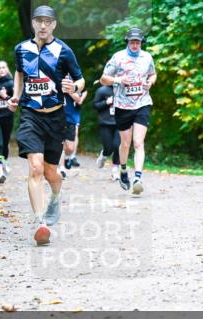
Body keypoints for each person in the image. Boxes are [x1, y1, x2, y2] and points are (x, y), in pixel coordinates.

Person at [8, 5, 85, 245]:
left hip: (55, 117)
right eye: (38, 21)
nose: (43, 25)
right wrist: (15, 95)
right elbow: (19, 73)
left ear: (54, 24)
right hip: (31, 115)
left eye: (47, 21)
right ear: (33, 23)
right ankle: (40, 222)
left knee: (52, 173)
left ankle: (55, 196)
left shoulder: (63, 51)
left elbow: (80, 78)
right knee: (36, 168)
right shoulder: (21, 49)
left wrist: (75, 88)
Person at [100, 28, 156, 195]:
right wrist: (118, 79)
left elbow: (153, 74)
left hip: (142, 103)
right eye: (132, 42)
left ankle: (138, 178)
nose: (134, 45)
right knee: (125, 143)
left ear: (141, 43)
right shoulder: (118, 58)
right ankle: (123, 170)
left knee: (138, 142)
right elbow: (103, 79)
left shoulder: (147, 57)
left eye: (137, 42)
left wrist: (150, 83)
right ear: (127, 42)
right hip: (123, 106)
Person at [93, 80, 119, 178]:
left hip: (120, 123)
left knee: (117, 146)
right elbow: (95, 105)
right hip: (105, 123)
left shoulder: (123, 91)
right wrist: (106, 102)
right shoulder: (102, 90)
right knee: (108, 148)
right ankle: (104, 155)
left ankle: (115, 170)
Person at [62, 85, 87, 171]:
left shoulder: (75, 76)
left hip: (73, 112)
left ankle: (70, 156)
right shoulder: (55, 74)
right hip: (58, 113)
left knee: (72, 139)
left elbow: (84, 91)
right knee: (59, 140)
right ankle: (61, 168)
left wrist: (80, 99)